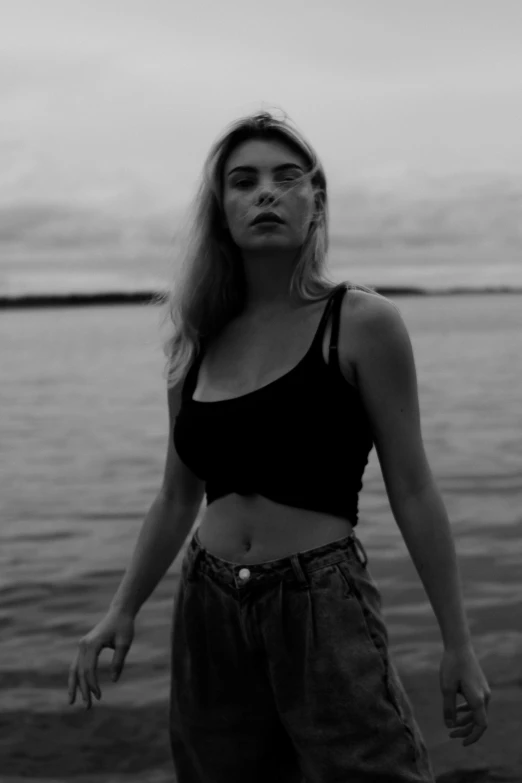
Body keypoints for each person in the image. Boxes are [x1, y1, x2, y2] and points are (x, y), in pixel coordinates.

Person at [68, 109, 491, 782]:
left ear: (315, 202)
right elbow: (176, 495)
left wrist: (458, 643)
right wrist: (122, 607)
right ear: (221, 208)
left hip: (321, 600)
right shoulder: (195, 337)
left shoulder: (359, 322)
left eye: (286, 176)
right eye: (243, 180)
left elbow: (413, 487)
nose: (265, 191)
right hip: (205, 602)